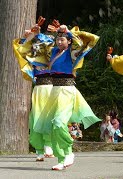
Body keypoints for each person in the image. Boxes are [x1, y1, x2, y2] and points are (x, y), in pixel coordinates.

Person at [33, 20, 101, 170]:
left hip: (67, 90)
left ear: (69, 41)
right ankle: (61, 157)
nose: (59, 41)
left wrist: (68, 30)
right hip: (54, 91)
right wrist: (36, 34)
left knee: (58, 122)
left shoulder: (72, 53)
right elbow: (39, 48)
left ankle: (68, 151)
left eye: (62, 39)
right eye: (57, 38)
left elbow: (88, 40)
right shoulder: (53, 52)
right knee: (53, 126)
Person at [12, 17, 55, 161]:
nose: (37, 48)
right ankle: (39, 149)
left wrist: (39, 34)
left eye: (39, 45)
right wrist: (30, 36)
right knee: (36, 118)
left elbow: (53, 46)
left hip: (51, 88)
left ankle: (49, 146)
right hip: (39, 90)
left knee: (50, 117)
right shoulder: (32, 56)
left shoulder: (52, 53)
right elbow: (21, 49)